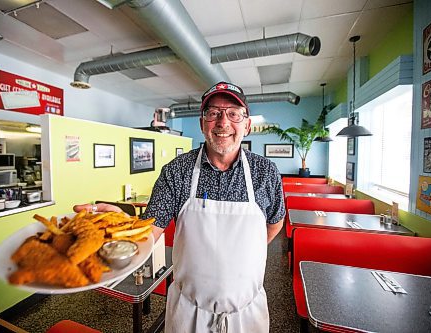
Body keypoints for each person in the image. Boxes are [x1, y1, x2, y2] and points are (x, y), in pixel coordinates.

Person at [75, 81, 285, 332]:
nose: (223, 122)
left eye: (233, 113)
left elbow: (274, 222)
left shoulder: (266, 172)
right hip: (189, 314)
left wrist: (244, 253)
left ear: (247, 125)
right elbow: (149, 231)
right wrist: (122, 226)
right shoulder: (177, 171)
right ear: (202, 123)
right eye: (213, 113)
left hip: (247, 314)